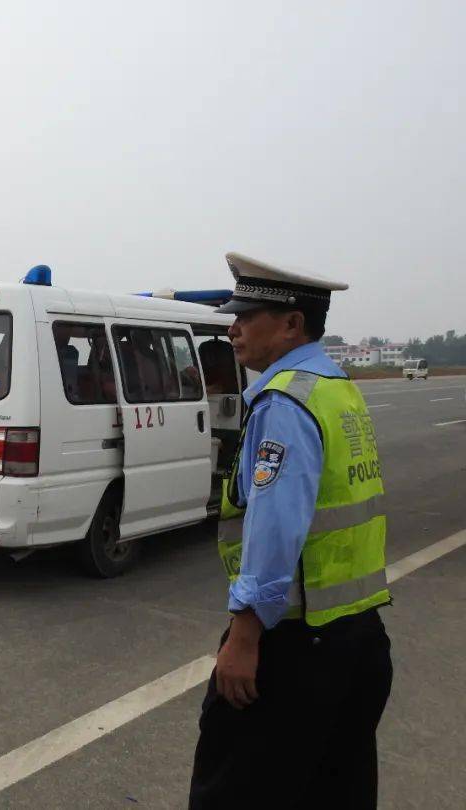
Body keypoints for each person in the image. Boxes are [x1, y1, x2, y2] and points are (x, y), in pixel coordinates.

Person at [189, 253, 392, 810]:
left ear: (291, 324)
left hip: (297, 649)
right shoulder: (337, 390)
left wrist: (244, 637)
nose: (233, 327)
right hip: (358, 638)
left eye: (246, 314)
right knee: (336, 790)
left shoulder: (284, 402)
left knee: (232, 792)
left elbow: (276, 528)